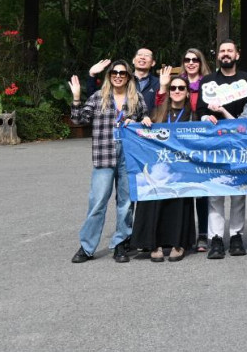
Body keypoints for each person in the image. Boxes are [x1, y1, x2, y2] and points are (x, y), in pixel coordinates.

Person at [69, 60, 147, 263]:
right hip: (104, 154)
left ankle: (121, 243)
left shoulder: (136, 98)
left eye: (122, 73)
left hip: (129, 156)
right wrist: (76, 97)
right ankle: (87, 247)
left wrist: (138, 121)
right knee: (97, 202)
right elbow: (79, 120)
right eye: (114, 72)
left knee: (126, 203)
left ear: (128, 77)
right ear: (109, 75)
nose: (118, 76)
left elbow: (145, 121)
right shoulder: (98, 97)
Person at [130, 78, 197, 262]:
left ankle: (178, 243)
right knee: (154, 201)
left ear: (187, 92)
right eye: (173, 88)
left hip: (182, 167)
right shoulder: (158, 112)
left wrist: (208, 119)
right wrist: (143, 121)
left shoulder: (193, 116)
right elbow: (142, 133)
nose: (177, 90)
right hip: (158, 165)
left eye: (181, 88)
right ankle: (154, 244)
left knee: (179, 204)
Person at [200, 40, 247, 260]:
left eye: (230, 50)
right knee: (215, 192)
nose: (226, 54)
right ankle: (216, 238)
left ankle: (236, 235)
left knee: (239, 191)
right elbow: (200, 110)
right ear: (218, 56)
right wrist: (206, 117)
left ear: (237, 55)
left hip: (241, 143)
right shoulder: (208, 81)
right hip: (215, 143)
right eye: (222, 51)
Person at [157, 48, 211, 252]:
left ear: (201, 62)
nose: (191, 62)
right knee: (179, 193)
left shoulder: (208, 83)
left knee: (201, 191)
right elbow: (161, 109)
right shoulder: (176, 83)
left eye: (195, 59)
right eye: (187, 59)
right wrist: (164, 87)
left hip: (197, 139)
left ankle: (203, 234)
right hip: (173, 146)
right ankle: (179, 234)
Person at [86, 47, 161, 114]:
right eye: (139, 54)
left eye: (147, 55)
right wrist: (92, 75)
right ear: (133, 60)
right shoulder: (120, 80)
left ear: (153, 63)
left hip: (149, 124)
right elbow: (95, 99)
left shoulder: (159, 83)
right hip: (122, 123)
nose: (142, 57)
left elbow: (162, 107)